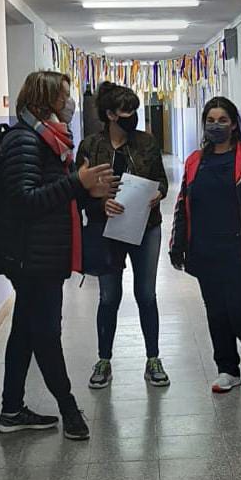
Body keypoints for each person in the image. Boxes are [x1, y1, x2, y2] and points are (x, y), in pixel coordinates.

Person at [0, 71, 118, 439]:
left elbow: (51, 195)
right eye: (63, 95)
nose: (70, 102)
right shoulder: (24, 142)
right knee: (46, 332)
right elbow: (26, 200)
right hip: (33, 257)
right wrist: (78, 182)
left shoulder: (49, 139)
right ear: (43, 101)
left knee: (24, 331)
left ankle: (11, 409)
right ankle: (69, 408)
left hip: (43, 252)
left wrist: (88, 192)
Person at [169, 97, 241, 396]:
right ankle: (227, 369)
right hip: (205, 250)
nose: (215, 125)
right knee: (216, 312)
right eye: (210, 120)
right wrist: (177, 244)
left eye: (222, 120)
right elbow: (183, 203)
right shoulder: (195, 160)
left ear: (233, 124)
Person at [77, 81, 170, 389]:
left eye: (135, 111)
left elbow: (161, 180)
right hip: (106, 230)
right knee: (109, 297)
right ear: (110, 115)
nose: (133, 117)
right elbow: (78, 190)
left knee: (146, 295)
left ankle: (153, 358)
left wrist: (158, 193)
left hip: (146, 227)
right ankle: (103, 360)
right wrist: (100, 203)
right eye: (126, 111)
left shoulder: (146, 143)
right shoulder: (91, 146)